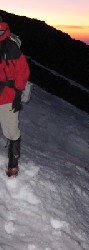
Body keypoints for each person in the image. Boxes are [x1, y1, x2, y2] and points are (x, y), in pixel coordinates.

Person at [0, 17, 30, 177]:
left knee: (12, 132)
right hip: (7, 96)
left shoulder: (11, 47)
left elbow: (23, 72)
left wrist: (17, 94)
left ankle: (13, 166)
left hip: (7, 97)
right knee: (11, 131)